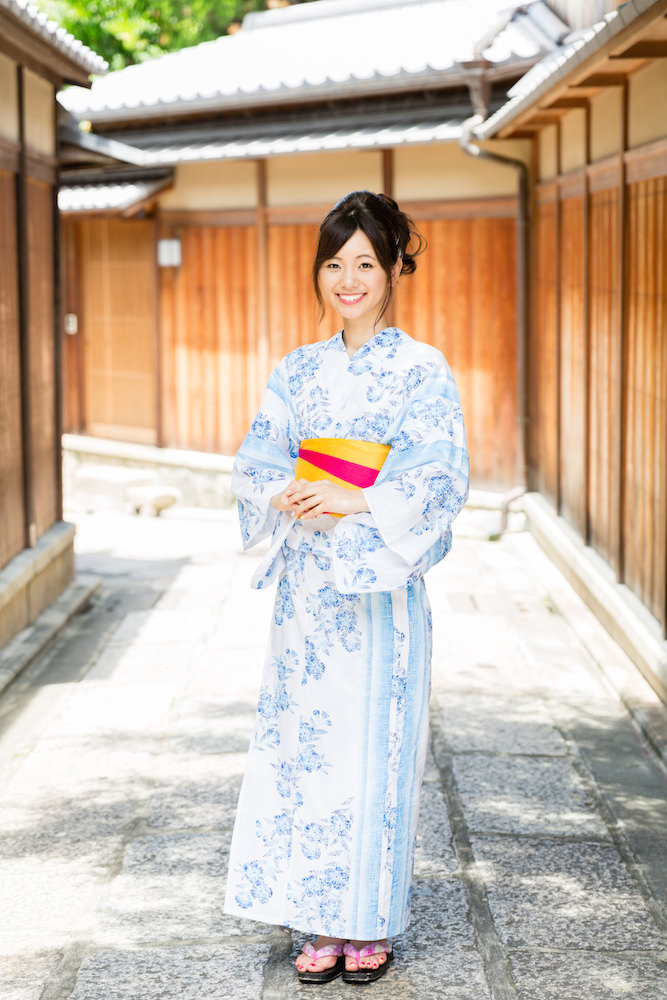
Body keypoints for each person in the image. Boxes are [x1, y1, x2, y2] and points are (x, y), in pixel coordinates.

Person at [223, 190, 469, 984]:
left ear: (397, 266)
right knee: (306, 750)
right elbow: (257, 461)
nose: (348, 278)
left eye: (365, 261)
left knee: (373, 751)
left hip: (380, 591)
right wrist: (284, 493)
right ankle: (311, 917)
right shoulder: (296, 369)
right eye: (334, 263)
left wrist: (353, 495)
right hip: (308, 593)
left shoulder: (422, 369)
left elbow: (439, 475)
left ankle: (366, 919)